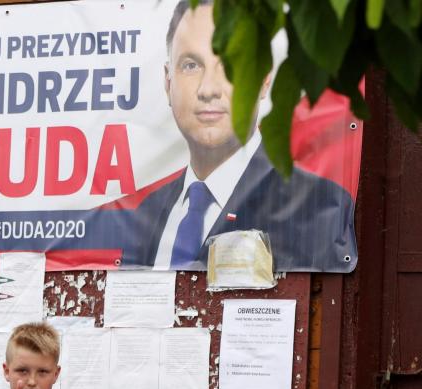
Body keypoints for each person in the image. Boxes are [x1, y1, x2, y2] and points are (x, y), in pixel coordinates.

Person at [123, 0, 357, 273]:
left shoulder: (317, 204)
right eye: (190, 65)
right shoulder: (145, 214)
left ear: (263, 78)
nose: (208, 89)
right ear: (167, 82)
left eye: (230, 65)